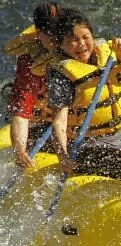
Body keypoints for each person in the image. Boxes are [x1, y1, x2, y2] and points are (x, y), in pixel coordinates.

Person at [46, 9, 121, 182]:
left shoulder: (108, 53)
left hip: (113, 135)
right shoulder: (62, 77)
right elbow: (59, 122)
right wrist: (63, 156)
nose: (82, 44)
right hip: (82, 145)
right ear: (61, 45)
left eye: (85, 37)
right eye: (73, 40)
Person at [4, 2, 61, 168]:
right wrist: (20, 149)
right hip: (40, 121)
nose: (56, 40)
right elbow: (22, 112)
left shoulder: (78, 46)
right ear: (38, 33)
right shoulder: (30, 61)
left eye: (59, 34)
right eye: (50, 35)